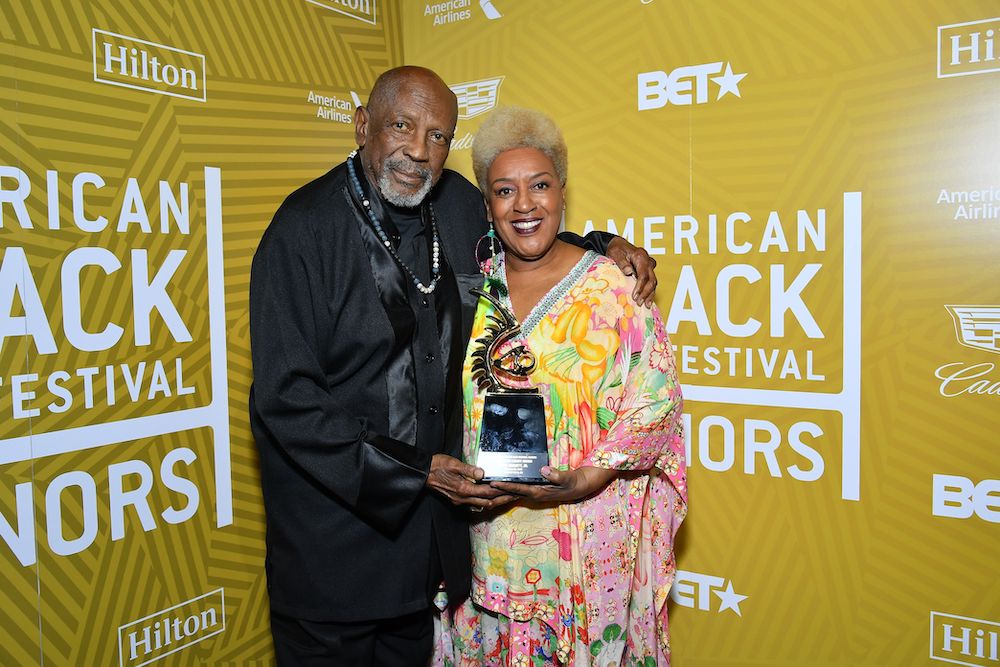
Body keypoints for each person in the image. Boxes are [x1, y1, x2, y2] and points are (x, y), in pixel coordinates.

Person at [248, 66, 658, 666]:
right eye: (402, 126)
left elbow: (528, 232)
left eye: (439, 136)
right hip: (333, 563)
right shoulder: (302, 229)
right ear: (363, 126)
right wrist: (418, 470)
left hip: (428, 566)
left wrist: (604, 246)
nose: (419, 151)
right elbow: (286, 400)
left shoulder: (458, 207)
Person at [435, 107, 687, 666]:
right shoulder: (471, 287)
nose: (524, 205)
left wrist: (584, 478)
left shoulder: (614, 285)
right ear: (487, 206)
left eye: (540, 186)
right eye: (505, 191)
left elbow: (655, 397)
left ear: (563, 192)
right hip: (489, 543)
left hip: (585, 546)